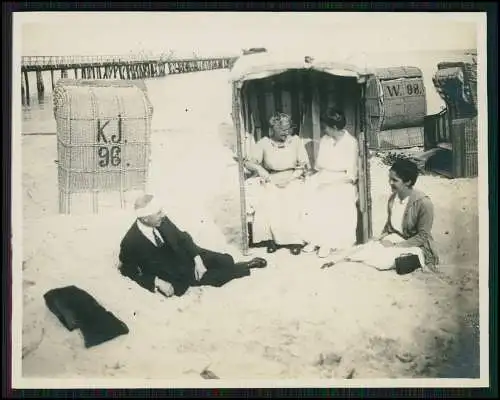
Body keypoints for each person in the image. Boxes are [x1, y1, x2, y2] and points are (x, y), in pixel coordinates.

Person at [118, 194, 268, 298]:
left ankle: (231, 265)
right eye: (158, 213)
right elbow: (128, 271)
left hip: (186, 255)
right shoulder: (130, 242)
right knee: (218, 277)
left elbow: (183, 237)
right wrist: (157, 282)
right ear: (144, 218)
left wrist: (197, 259)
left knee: (225, 260)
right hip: (175, 272)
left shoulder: (160, 220)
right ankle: (246, 266)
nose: (163, 215)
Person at [322, 159, 440, 272]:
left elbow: (422, 236)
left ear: (408, 182)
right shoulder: (392, 199)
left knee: (382, 261)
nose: (390, 183)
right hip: (396, 238)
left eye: (395, 180)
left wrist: (395, 245)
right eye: (389, 179)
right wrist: (379, 239)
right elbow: (389, 228)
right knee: (366, 249)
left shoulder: (423, 203)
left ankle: (415, 259)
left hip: (415, 245)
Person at [244, 112, 310, 255]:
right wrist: (261, 170)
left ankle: (295, 240)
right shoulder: (264, 143)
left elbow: (304, 164)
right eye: (282, 130)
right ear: (273, 129)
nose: (286, 133)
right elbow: (249, 162)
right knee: (268, 199)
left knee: (293, 198)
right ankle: (271, 240)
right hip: (271, 179)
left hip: (292, 178)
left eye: (288, 129)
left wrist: (291, 178)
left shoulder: (296, 142)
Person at [301, 108, 359, 258]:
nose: (323, 129)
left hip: (342, 181)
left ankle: (327, 242)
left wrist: (330, 183)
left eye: (325, 127)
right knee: (310, 194)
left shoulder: (351, 143)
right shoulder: (326, 140)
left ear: (334, 127)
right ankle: (314, 239)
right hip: (324, 176)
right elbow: (320, 164)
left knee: (330, 198)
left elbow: (351, 174)